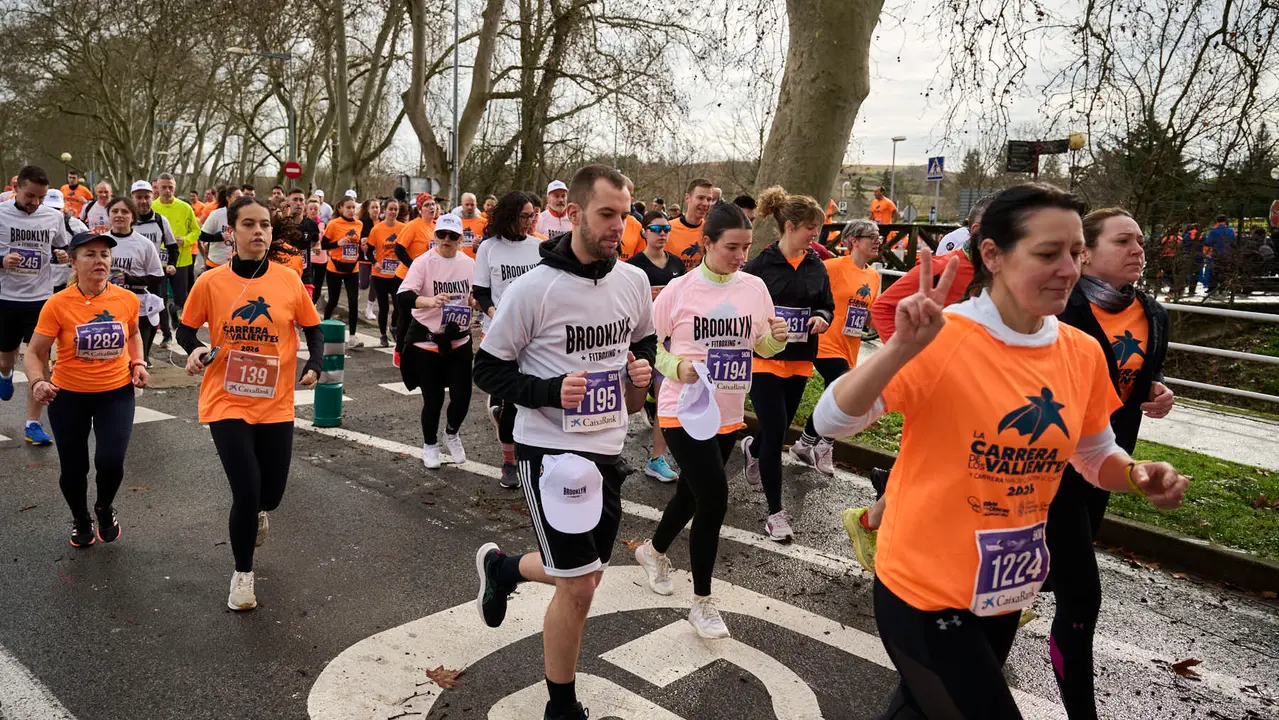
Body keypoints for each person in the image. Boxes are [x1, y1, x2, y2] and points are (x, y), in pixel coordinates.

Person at [812, 184, 1188, 719]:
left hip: (1004, 587)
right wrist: (897, 349)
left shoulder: (1081, 352)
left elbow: (1094, 454)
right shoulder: (943, 336)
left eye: (1077, 253)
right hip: (923, 587)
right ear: (992, 254)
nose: (1068, 269)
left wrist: (1139, 475)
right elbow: (831, 421)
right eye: (1047, 253)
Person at [471, 164, 656, 720]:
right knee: (579, 587)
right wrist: (550, 390)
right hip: (549, 451)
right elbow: (488, 369)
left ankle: (504, 570)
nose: (617, 228)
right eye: (606, 215)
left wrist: (641, 373)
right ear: (572, 214)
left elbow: (641, 344)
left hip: (607, 448)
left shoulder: (633, 282)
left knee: (585, 573)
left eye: (624, 216)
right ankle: (562, 707)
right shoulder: (533, 288)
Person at [632, 202, 789, 638]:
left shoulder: (755, 287)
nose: (741, 256)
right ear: (706, 243)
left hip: (728, 411)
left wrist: (777, 340)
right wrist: (676, 367)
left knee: (691, 494)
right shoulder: (680, 290)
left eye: (746, 247)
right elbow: (652, 346)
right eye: (731, 248)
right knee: (715, 499)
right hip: (682, 408)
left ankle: (653, 550)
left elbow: (761, 346)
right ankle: (701, 602)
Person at [1040, 207, 1174, 718]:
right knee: (1081, 594)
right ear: (1087, 253)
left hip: (1104, 462)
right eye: (1124, 241)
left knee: (1045, 577)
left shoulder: (1153, 314)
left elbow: (1132, 381)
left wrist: (1158, 392)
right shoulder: (1055, 308)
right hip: (1046, 467)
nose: (1138, 250)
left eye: (1140, 240)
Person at [179, 196, 323, 611]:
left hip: (275, 401)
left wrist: (314, 363)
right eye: (248, 224)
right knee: (245, 489)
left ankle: (262, 509)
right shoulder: (210, 282)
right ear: (232, 232)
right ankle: (243, 575)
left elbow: (312, 329)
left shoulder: (288, 280)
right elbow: (186, 332)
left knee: (270, 494)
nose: (258, 231)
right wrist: (194, 349)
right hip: (226, 397)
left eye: (264, 224)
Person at [25, 232, 149, 547]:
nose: (99, 261)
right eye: (90, 254)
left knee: (110, 461)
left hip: (115, 393)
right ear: (73, 260)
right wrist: (39, 381)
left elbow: (132, 334)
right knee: (74, 469)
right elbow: (34, 351)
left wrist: (138, 363)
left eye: (105, 255)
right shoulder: (57, 304)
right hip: (69, 396)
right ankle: (81, 518)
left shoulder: (126, 299)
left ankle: (104, 507)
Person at [740, 186, 834, 541]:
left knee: (772, 431)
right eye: (811, 228)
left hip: (799, 360)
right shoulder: (760, 265)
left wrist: (822, 317)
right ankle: (775, 514)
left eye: (818, 229)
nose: (816, 235)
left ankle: (753, 446)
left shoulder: (816, 264)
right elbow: (741, 304)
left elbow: (827, 304)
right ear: (791, 226)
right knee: (778, 430)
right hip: (765, 358)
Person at [790, 219, 882, 476]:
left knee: (839, 393)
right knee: (845, 388)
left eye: (879, 237)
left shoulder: (873, 276)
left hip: (849, 345)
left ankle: (806, 443)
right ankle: (824, 446)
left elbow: (868, 314)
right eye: (872, 236)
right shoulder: (831, 267)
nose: (878, 240)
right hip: (824, 341)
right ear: (853, 240)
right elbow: (806, 291)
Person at [473, 191, 543, 489]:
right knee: (513, 403)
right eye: (524, 216)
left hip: (534, 333)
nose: (529, 222)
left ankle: (535, 456)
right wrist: (495, 312)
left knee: (530, 398)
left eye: (532, 216)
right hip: (500, 331)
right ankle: (509, 461)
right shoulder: (489, 248)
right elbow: (480, 291)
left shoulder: (540, 247)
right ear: (509, 216)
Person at [395, 213, 475, 468]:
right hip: (427, 342)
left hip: (459, 340)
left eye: (452, 236)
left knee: (462, 397)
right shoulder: (423, 262)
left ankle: (451, 433)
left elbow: (476, 295)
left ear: (461, 239)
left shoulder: (469, 264)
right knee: (433, 399)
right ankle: (430, 444)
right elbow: (404, 296)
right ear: (435, 235)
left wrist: (475, 303)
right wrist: (430, 301)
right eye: (441, 234)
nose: (446, 240)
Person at [0, 165, 71, 445]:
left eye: (40, 197)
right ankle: (5, 372)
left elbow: (64, 245)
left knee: (38, 361)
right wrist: (2, 261)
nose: (35, 202)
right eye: (30, 195)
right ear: (16, 187)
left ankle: (33, 424)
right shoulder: (1, 214)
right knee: (7, 356)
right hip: (6, 298)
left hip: (41, 299)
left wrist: (64, 253)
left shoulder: (52, 217)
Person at [626, 210, 686, 482]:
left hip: (666, 341)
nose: (662, 233)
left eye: (666, 229)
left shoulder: (676, 264)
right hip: (637, 340)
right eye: (656, 228)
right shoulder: (634, 265)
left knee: (665, 400)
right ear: (644, 232)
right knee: (628, 403)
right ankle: (609, 448)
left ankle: (657, 459)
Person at [104, 197, 167, 361]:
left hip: (137, 308)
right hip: (105, 307)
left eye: (125, 212)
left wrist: (130, 279)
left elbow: (158, 276)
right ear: (108, 215)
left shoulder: (144, 244)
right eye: (114, 211)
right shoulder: (100, 242)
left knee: (137, 359)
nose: (119, 215)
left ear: (133, 217)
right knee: (111, 357)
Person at [129, 181, 179, 351]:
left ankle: (148, 351)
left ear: (153, 197)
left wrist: (172, 264)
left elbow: (172, 246)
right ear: (132, 198)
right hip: (129, 275)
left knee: (154, 312)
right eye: (139, 197)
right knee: (130, 313)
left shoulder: (160, 220)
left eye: (146, 197)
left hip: (154, 275)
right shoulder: (126, 219)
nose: (143, 201)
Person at [153, 174, 202, 334]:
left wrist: (186, 240)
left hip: (182, 259)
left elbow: (196, 230)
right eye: (164, 187)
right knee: (161, 299)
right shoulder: (152, 207)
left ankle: (174, 312)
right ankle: (166, 333)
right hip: (158, 261)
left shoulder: (185, 207)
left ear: (174, 188)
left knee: (182, 299)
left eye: (170, 188)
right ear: (158, 188)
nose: (167, 191)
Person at [321, 196, 364, 347]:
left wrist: (362, 245)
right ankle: (323, 330)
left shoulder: (359, 224)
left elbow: (358, 244)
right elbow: (323, 245)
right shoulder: (333, 224)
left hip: (353, 268)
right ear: (341, 208)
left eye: (353, 207)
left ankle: (352, 337)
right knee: (333, 300)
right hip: (335, 268)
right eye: (348, 207)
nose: (351, 210)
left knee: (353, 302)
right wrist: (337, 243)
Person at [368, 197, 405, 347]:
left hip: (397, 274)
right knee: (383, 307)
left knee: (398, 305)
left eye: (396, 209)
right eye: (391, 209)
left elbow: (405, 249)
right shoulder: (377, 229)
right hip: (380, 274)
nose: (393, 212)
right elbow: (369, 252)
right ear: (385, 210)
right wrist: (375, 262)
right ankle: (383, 335)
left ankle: (394, 326)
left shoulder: (403, 228)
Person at [666, 178, 715, 271]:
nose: (705, 203)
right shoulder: (667, 229)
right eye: (700, 198)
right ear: (688, 198)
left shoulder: (712, 231)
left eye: (709, 199)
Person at [199, 186, 242, 271]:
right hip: (216, 263)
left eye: (242, 198)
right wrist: (219, 236)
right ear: (228, 198)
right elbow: (201, 235)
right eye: (237, 198)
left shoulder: (244, 215)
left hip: (236, 264)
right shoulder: (217, 214)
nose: (241, 201)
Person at [358, 197, 382, 320]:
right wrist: (361, 241)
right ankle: (358, 286)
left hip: (378, 258)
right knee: (364, 284)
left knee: (375, 283)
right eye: (373, 207)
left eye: (377, 207)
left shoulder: (382, 223)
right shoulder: (362, 222)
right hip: (364, 257)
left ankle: (369, 308)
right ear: (368, 209)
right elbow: (355, 236)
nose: (375, 210)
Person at [457, 192, 488, 257]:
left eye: (472, 204)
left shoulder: (484, 222)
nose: (469, 207)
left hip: (477, 263)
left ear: (476, 205)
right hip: (459, 262)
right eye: (467, 204)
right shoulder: (456, 222)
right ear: (462, 204)